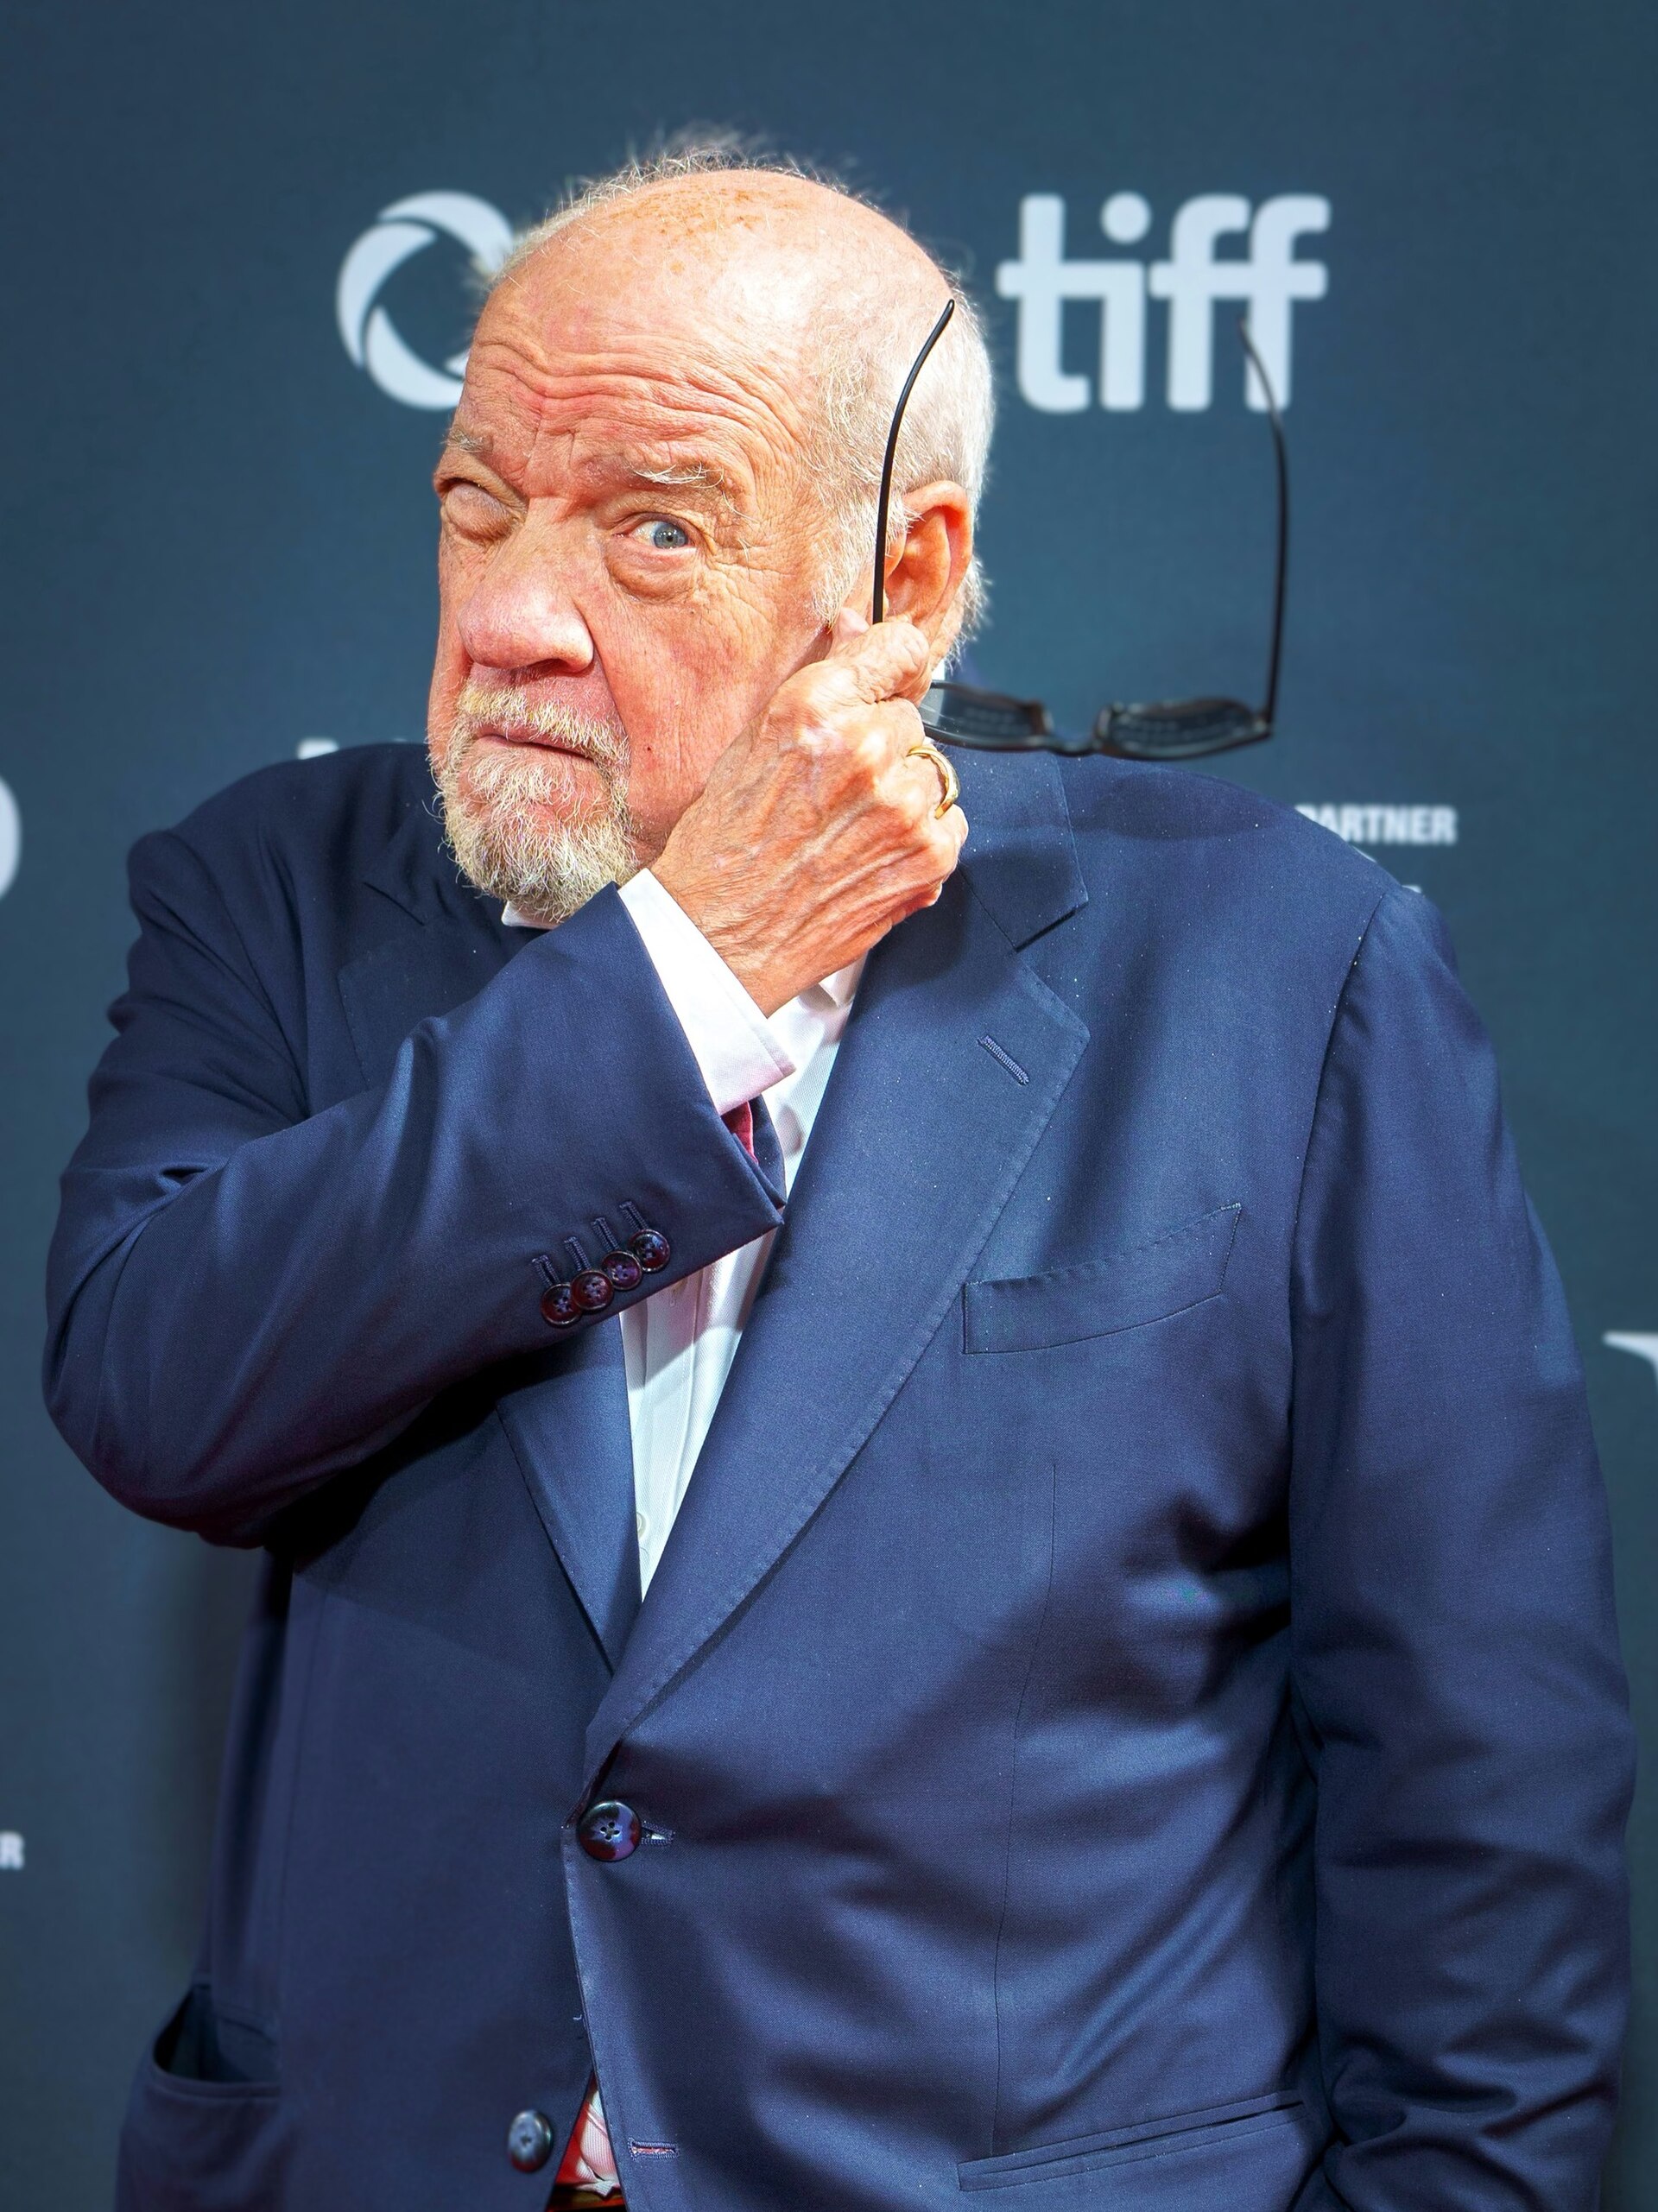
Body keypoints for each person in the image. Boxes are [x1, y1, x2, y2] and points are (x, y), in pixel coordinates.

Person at [47, 148, 1631, 2212]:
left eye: (651, 528)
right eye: (477, 505)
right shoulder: (275, 892)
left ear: (902, 577)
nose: (512, 613)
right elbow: (162, 1393)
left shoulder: (1276, 968)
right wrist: (684, 978)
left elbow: (1479, 1788)